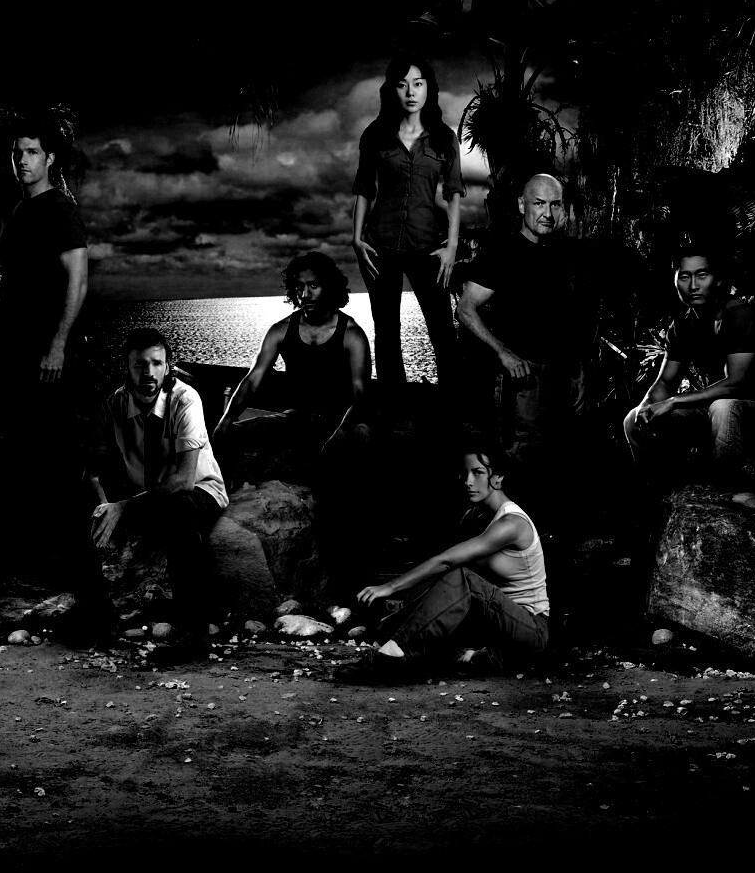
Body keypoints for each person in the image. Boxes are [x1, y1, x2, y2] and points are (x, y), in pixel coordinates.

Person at [213, 254, 371, 580]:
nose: (305, 294)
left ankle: (348, 567)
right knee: (231, 434)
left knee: (355, 445)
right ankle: (215, 516)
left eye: (313, 285)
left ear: (329, 287)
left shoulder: (352, 334)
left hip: (343, 422)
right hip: (298, 418)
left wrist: (341, 432)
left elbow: (361, 396)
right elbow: (253, 380)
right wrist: (226, 420)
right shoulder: (281, 330)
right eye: (299, 287)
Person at [82, 328, 228, 660]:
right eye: (139, 364)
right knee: (86, 509)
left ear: (167, 367)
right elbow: (92, 472)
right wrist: (103, 505)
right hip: (147, 494)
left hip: (198, 490)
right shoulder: (115, 404)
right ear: (126, 366)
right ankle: (95, 614)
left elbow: (183, 481)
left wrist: (123, 507)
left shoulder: (185, 400)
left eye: (156, 363)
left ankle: (193, 636)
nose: (148, 372)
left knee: (179, 512)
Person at [350, 447, 549, 674]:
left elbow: (447, 562)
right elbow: (446, 579)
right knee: (390, 627)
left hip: (531, 629)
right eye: (465, 473)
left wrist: (389, 587)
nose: (468, 481)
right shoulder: (475, 518)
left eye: (478, 473)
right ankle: (479, 657)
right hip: (491, 625)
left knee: (462, 577)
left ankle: (392, 658)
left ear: (498, 477)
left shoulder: (512, 523)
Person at [0, 117, 90, 556]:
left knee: (54, 449)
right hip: (14, 349)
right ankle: (25, 551)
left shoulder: (59, 209)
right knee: (19, 446)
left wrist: (58, 344)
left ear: (49, 159)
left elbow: (78, 283)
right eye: (17, 153)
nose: (22, 160)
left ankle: (64, 553)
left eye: (31, 152)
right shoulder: (17, 210)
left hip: (48, 352)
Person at [623, 246, 755, 488]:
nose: (693, 285)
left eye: (702, 275)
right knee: (633, 420)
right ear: (675, 281)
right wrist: (646, 407)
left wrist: (674, 401)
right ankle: (657, 494)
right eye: (685, 276)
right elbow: (665, 382)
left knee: (723, 407)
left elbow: (736, 383)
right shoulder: (682, 325)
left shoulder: (738, 314)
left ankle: (721, 494)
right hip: (714, 413)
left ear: (717, 279)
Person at [352, 55, 465, 394]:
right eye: (402, 85)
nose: (411, 92)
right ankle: (394, 408)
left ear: (429, 88)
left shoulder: (444, 138)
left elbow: (453, 193)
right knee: (387, 331)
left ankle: (452, 406)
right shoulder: (375, 135)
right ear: (392, 90)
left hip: (427, 245)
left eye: (418, 84)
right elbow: (364, 188)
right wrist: (357, 238)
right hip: (380, 244)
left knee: (442, 329)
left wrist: (452, 247)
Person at [455, 171, 587, 460]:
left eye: (555, 204)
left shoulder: (566, 255)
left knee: (563, 458)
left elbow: (568, 320)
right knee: (522, 462)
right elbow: (465, 309)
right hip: (524, 379)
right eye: (539, 203)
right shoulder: (502, 252)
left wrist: (577, 371)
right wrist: (503, 352)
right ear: (521, 205)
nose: (547, 213)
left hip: (563, 377)